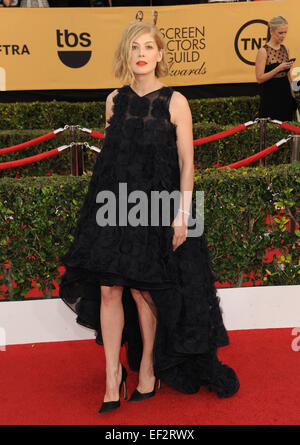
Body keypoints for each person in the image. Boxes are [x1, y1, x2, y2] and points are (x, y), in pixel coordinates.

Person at [58, 20, 239, 414]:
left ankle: (147, 370)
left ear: (159, 55)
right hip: (113, 204)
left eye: (149, 47)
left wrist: (183, 215)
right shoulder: (113, 101)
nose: (141, 53)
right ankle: (111, 377)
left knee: (144, 292)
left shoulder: (176, 102)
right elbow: (110, 162)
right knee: (109, 290)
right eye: (134, 47)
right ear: (127, 54)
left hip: (157, 208)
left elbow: (187, 164)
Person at [255, 16, 297, 121]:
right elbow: (259, 78)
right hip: (271, 95)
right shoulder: (263, 51)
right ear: (271, 31)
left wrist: (293, 95)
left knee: (287, 125)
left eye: (285, 32)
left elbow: (288, 74)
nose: (283, 36)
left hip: (285, 93)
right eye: (280, 33)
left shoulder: (285, 48)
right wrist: (278, 68)